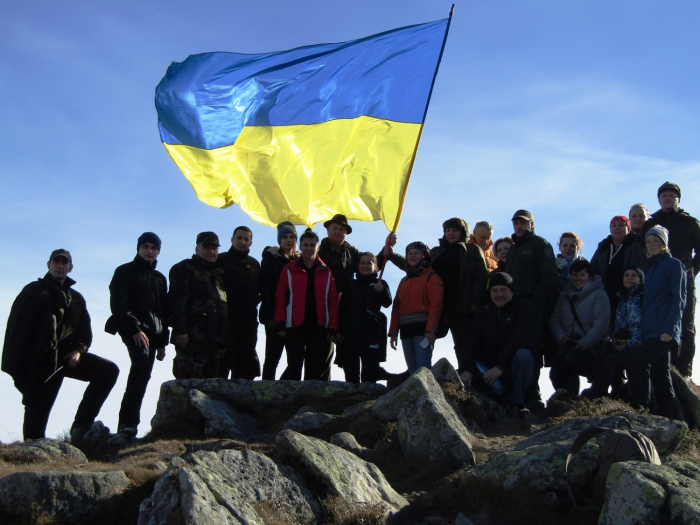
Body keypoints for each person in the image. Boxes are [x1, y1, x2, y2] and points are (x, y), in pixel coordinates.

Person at [2, 249, 119, 442]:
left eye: (64, 263)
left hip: (65, 357)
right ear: (48, 264)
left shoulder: (77, 299)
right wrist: (23, 365)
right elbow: (17, 330)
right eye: (56, 262)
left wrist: (78, 351)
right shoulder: (33, 292)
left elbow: (84, 333)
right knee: (36, 414)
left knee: (108, 371)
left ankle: (80, 427)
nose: (60, 266)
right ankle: (32, 451)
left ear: (70, 267)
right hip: (38, 360)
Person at [384, 218, 488, 369]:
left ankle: (467, 374)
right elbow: (415, 266)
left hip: (463, 305)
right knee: (427, 338)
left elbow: (481, 276)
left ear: (463, 232)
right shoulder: (437, 252)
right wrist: (392, 255)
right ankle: (417, 372)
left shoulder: (472, 250)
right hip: (439, 305)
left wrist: (475, 302)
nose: (451, 233)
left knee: (463, 343)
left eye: (455, 230)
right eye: (448, 230)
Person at [105, 232, 168, 439]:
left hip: (153, 335)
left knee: (143, 375)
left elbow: (162, 311)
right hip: (132, 330)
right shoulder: (125, 271)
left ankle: (130, 426)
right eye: (145, 247)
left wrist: (161, 343)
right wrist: (134, 329)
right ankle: (127, 425)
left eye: (154, 248)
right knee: (140, 367)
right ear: (138, 248)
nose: (149, 251)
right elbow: (118, 303)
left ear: (158, 250)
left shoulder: (159, 278)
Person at [459, 273, 538, 418]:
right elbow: (471, 343)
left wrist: (500, 367)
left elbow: (521, 339)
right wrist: (467, 369)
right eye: (494, 291)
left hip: (511, 371)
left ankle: (517, 404)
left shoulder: (523, 310)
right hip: (488, 374)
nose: (499, 295)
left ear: (511, 291)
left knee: (524, 355)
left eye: (503, 290)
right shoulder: (483, 313)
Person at [643, 182, 700, 377]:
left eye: (671, 195)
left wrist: (689, 271)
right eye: (664, 195)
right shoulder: (651, 224)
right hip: (656, 279)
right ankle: (660, 369)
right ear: (659, 200)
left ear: (679, 199)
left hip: (684, 278)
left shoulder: (690, 222)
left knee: (686, 324)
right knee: (656, 321)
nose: (667, 198)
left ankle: (683, 372)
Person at [503, 210, 558, 405]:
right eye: (516, 222)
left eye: (523, 223)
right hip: (512, 306)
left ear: (531, 225)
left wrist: (536, 300)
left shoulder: (540, 245)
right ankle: (515, 393)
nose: (519, 226)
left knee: (532, 350)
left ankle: (532, 396)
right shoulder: (513, 249)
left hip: (532, 306)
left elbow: (550, 275)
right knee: (514, 349)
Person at [632, 226, 686, 418]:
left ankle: (640, 409)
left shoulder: (674, 265)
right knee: (660, 375)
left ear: (664, 244)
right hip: (651, 331)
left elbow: (678, 299)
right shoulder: (651, 269)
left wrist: (670, 329)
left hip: (664, 331)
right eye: (648, 241)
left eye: (656, 241)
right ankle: (671, 418)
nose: (652, 245)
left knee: (640, 362)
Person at [276, 228, 339, 380]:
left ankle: (309, 401)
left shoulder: (326, 272)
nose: (309, 248)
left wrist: (332, 327)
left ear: (318, 247)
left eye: (312, 245)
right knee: (294, 364)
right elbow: (280, 297)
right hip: (294, 325)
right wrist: (280, 322)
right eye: (306, 245)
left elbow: (332, 301)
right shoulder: (289, 269)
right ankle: (292, 401)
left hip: (318, 326)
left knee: (313, 366)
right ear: (300, 246)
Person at [168, 232, 229, 379]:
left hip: (214, 343)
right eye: (207, 247)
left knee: (209, 391)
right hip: (192, 342)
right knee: (187, 386)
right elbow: (177, 302)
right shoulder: (184, 268)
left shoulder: (218, 275)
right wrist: (180, 330)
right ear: (197, 249)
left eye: (214, 248)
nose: (211, 251)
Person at [549, 260, 610, 396]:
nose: (578, 278)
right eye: (575, 275)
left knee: (572, 359)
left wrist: (582, 344)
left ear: (590, 277)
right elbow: (555, 320)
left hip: (592, 348)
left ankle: (597, 384)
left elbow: (601, 324)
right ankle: (569, 401)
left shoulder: (599, 294)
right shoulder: (564, 295)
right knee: (556, 373)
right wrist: (561, 337)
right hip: (568, 346)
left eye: (582, 275)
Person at [582, 266, 645, 400]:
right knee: (601, 353)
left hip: (639, 345)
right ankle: (603, 391)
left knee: (612, 360)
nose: (629, 277)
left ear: (640, 280)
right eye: (626, 275)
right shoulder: (621, 298)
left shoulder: (644, 297)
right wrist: (617, 341)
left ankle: (597, 394)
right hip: (623, 343)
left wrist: (630, 343)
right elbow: (618, 325)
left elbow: (646, 326)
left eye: (634, 275)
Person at [389, 242, 444, 373]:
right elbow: (396, 307)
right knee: (412, 371)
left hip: (422, 331)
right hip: (405, 331)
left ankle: (426, 393)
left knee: (422, 370)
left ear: (424, 255)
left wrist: (431, 331)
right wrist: (393, 332)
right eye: (410, 253)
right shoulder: (404, 280)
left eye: (416, 253)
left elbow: (436, 306)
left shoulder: (432, 277)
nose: (412, 256)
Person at [317, 214, 360, 380]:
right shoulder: (318, 251)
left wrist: (386, 250)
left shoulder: (352, 252)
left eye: (341, 229)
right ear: (327, 230)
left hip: (347, 309)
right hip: (324, 308)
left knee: (348, 352)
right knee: (323, 353)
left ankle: (352, 391)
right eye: (334, 228)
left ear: (346, 233)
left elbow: (370, 264)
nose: (337, 231)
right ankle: (321, 391)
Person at [339, 252, 392, 383]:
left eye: (369, 263)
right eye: (362, 263)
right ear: (358, 265)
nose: (365, 265)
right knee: (351, 373)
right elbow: (341, 308)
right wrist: (337, 330)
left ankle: (369, 402)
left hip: (371, 333)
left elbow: (387, 303)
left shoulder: (380, 283)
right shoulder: (350, 284)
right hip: (350, 333)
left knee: (370, 372)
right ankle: (352, 401)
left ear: (375, 266)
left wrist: (383, 290)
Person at [217, 226, 261, 379]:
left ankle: (240, 402)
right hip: (225, 322)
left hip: (248, 322)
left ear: (251, 242)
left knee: (245, 366)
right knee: (222, 365)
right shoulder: (220, 260)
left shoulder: (254, 264)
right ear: (232, 239)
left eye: (246, 239)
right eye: (239, 238)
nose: (242, 242)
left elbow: (260, 289)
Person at [259, 221, 300, 380]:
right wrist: (270, 316)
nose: (289, 240)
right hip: (274, 317)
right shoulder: (270, 259)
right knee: (272, 359)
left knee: (295, 360)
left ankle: (286, 390)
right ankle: (266, 391)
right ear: (279, 240)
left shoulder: (300, 260)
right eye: (285, 237)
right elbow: (266, 289)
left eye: (292, 237)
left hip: (294, 318)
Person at [590, 215, 646, 316]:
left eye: (621, 225)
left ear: (628, 228)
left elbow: (644, 268)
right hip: (606, 296)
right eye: (614, 225)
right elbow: (592, 271)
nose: (617, 228)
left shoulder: (636, 246)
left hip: (630, 296)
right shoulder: (603, 248)